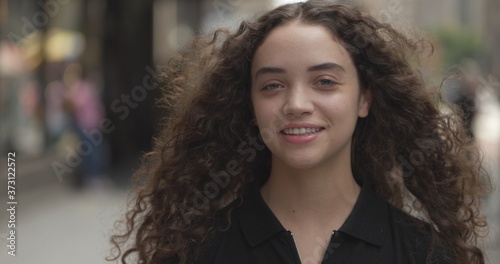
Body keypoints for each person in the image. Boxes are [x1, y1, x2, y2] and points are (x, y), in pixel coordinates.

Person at [109, 1, 489, 263]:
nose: (296, 104)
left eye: (324, 81)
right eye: (272, 85)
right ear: (250, 106)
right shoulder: (197, 250)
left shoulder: (423, 252)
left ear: (364, 100)